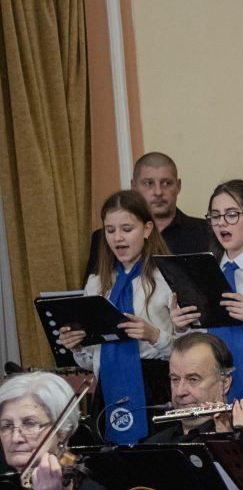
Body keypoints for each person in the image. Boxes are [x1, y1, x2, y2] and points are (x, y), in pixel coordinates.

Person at [59, 190, 176, 445]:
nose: (118, 237)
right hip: (108, 387)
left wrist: (154, 335)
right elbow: (92, 360)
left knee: (153, 457)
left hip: (155, 385)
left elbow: (189, 347)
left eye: (127, 229)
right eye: (110, 230)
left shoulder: (166, 278)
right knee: (109, 457)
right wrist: (78, 346)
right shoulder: (96, 283)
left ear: (147, 229)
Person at [168, 178, 243, 405]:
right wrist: (182, 327)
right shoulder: (202, 271)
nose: (222, 223)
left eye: (232, 215)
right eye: (215, 216)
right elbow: (198, 339)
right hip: (208, 383)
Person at [0, 371, 111, 490]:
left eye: (30, 424)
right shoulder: (6, 482)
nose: (15, 438)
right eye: (6, 425)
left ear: (62, 432)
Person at [85, 152, 214, 271]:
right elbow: (94, 286)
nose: (158, 192)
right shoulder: (103, 238)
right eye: (148, 183)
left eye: (167, 183)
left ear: (178, 186)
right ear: (134, 186)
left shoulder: (205, 232)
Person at [143, 332, 235, 443]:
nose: (179, 391)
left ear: (224, 383)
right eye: (175, 379)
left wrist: (231, 440)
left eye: (193, 379)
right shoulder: (154, 445)